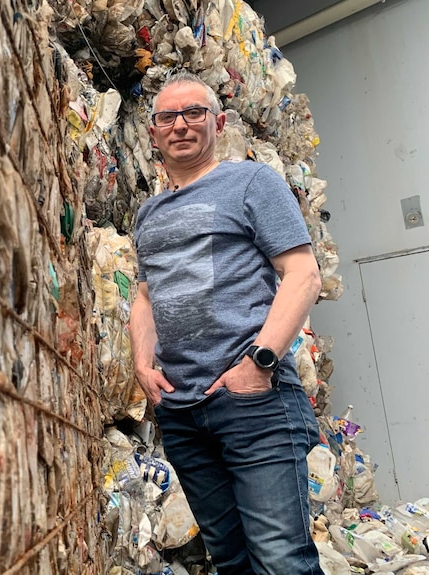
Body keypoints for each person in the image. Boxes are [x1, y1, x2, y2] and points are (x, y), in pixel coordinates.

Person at [130, 71, 325, 575]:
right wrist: (140, 364)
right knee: (232, 560)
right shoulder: (147, 214)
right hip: (182, 411)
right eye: (167, 117)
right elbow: (146, 297)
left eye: (193, 113)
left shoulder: (252, 182)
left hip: (252, 403)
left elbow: (302, 273)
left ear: (217, 122)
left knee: (282, 560)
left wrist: (259, 363)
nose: (180, 125)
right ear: (153, 132)